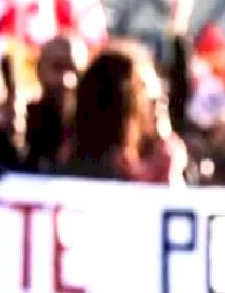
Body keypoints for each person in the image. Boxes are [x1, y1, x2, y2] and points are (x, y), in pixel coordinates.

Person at [60, 41, 187, 184]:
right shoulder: (82, 176)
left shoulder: (168, 160)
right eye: (144, 93)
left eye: (160, 96)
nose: (159, 104)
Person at [24, 35, 87, 172]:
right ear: (39, 69)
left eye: (74, 71)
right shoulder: (21, 120)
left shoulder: (90, 131)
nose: (66, 80)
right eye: (57, 67)